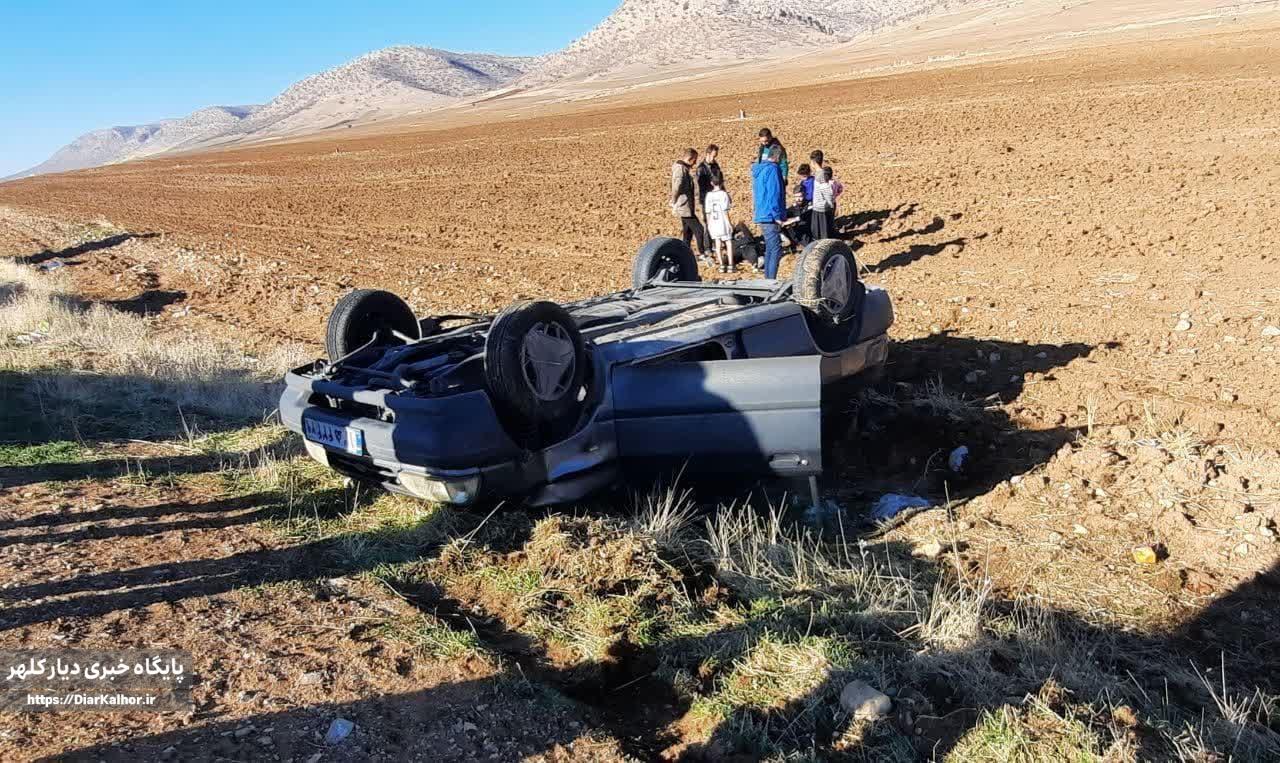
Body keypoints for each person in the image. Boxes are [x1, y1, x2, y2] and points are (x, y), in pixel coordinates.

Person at [752, 145, 786, 278]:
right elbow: (774, 193)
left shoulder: (760, 170)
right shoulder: (773, 169)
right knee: (776, 249)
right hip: (770, 215)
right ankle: (770, 280)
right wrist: (777, 215)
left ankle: (768, 278)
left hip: (762, 213)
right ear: (777, 156)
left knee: (770, 248)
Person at [670, 147, 708, 259]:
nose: (695, 163)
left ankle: (683, 255)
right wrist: (674, 201)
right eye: (694, 160)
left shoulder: (683, 168)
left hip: (687, 207)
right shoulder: (680, 169)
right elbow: (677, 186)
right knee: (699, 230)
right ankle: (702, 253)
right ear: (690, 158)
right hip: (684, 207)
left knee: (687, 233)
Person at [703, 171, 734, 273]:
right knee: (728, 243)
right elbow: (725, 211)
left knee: (717, 243)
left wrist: (708, 224)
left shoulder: (708, 195)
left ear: (711, 183)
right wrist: (729, 223)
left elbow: (707, 212)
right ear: (722, 182)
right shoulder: (723, 194)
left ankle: (721, 265)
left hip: (713, 222)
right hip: (723, 222)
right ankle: (730, 265)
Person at [696, 144, 721, 249]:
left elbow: (720, 180)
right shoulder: (701, 168)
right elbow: (701, 185)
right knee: (708, 222)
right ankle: (708, 247)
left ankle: (716, 243)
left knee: (718, 220)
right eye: (713, 156)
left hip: (717, 197)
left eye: (715, 156)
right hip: (706, 199)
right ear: (708, 154)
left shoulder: (716, 166)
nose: (714, 158)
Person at [811, 166, 836, 240]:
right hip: (824, 209)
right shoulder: (827, 186)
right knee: (825, 228)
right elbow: (830, 199)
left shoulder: (818, 183)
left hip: (818, 208)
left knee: (819, 229)